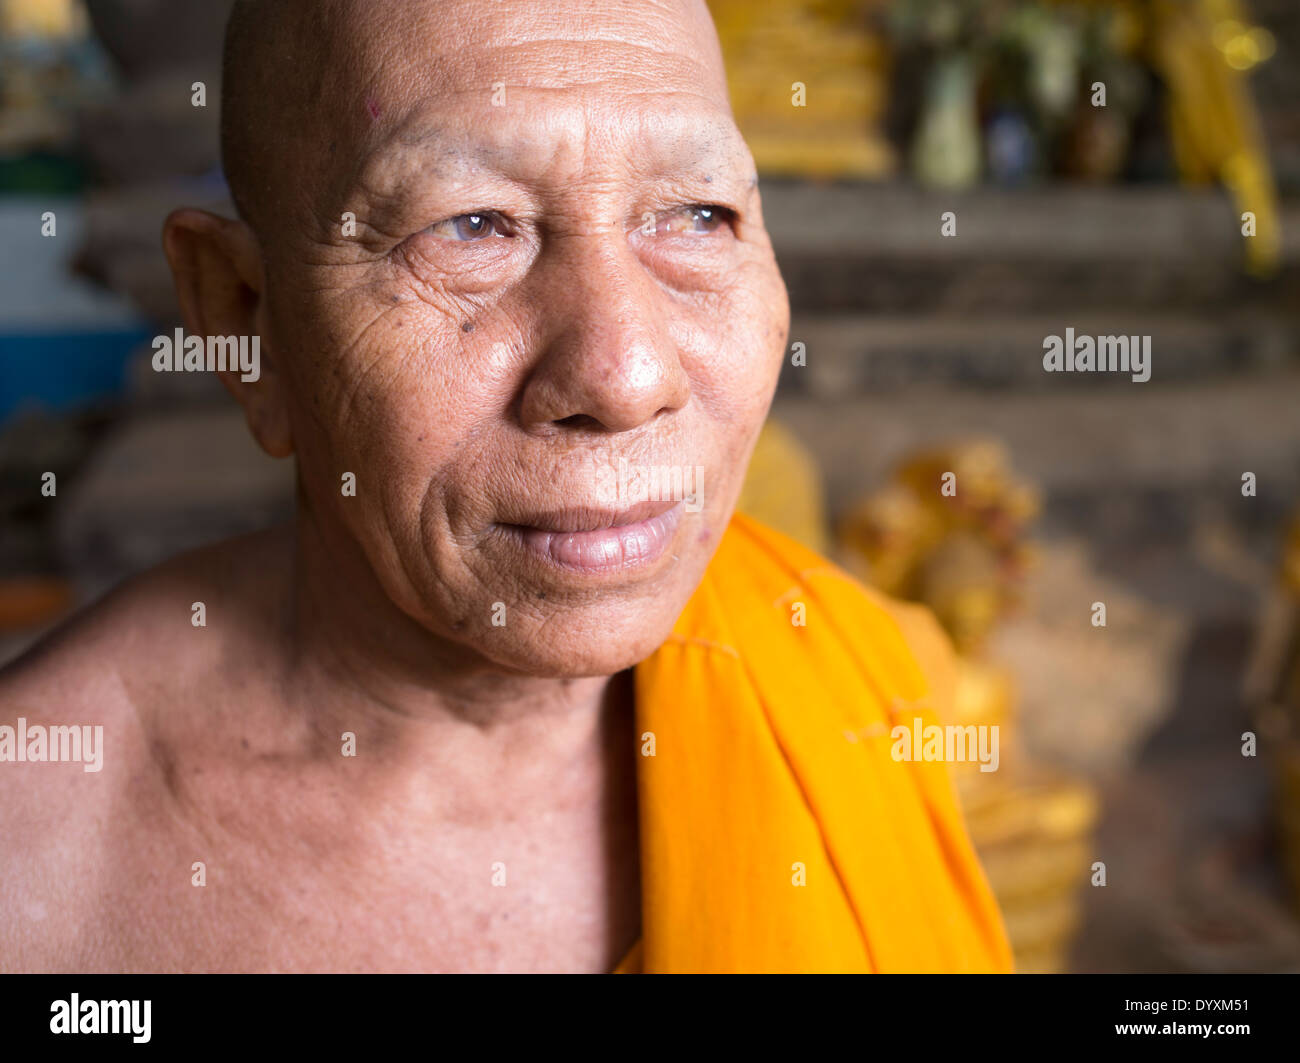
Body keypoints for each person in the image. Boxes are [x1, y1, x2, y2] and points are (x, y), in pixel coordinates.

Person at [0, 0, 1012, 973]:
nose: (624, 378)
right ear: (244, 317)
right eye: (471, 226)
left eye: (697, 215)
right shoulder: (38, 860)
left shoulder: (859, 688)